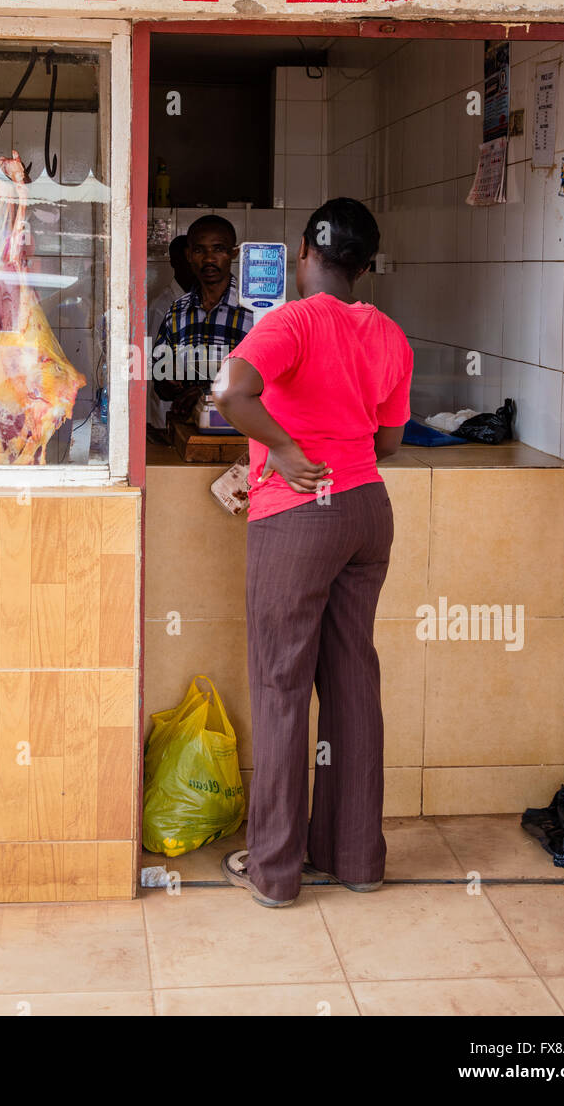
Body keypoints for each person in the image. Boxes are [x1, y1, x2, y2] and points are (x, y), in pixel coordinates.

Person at [211, 197, 412, 909]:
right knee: (354, 680)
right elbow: (389, 442)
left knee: (280, 686)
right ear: (364, 264)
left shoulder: (291, 321)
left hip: (299, 515)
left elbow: (229, 390)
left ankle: (274, 868)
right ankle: (357, 857)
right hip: (366, 512)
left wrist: (288, 449)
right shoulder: (389, 334)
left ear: (304, 250)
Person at [150, 215, 253, 423]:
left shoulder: (253, 313)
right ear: (188, 255)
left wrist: (205, 394)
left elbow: (266, 381)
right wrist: (167, 382)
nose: (209, 259)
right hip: (187, 437)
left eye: (218, 249)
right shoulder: (176, 312)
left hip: (241, 438)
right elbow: (160, 382)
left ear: (233, 253)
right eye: (199, 250)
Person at [147, 234, 193, 435]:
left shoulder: (199, 300)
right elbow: (154, 361)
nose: (192, 266)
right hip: (168, 403)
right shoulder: (163, 305)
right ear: (174, 262)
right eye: (186, 260)